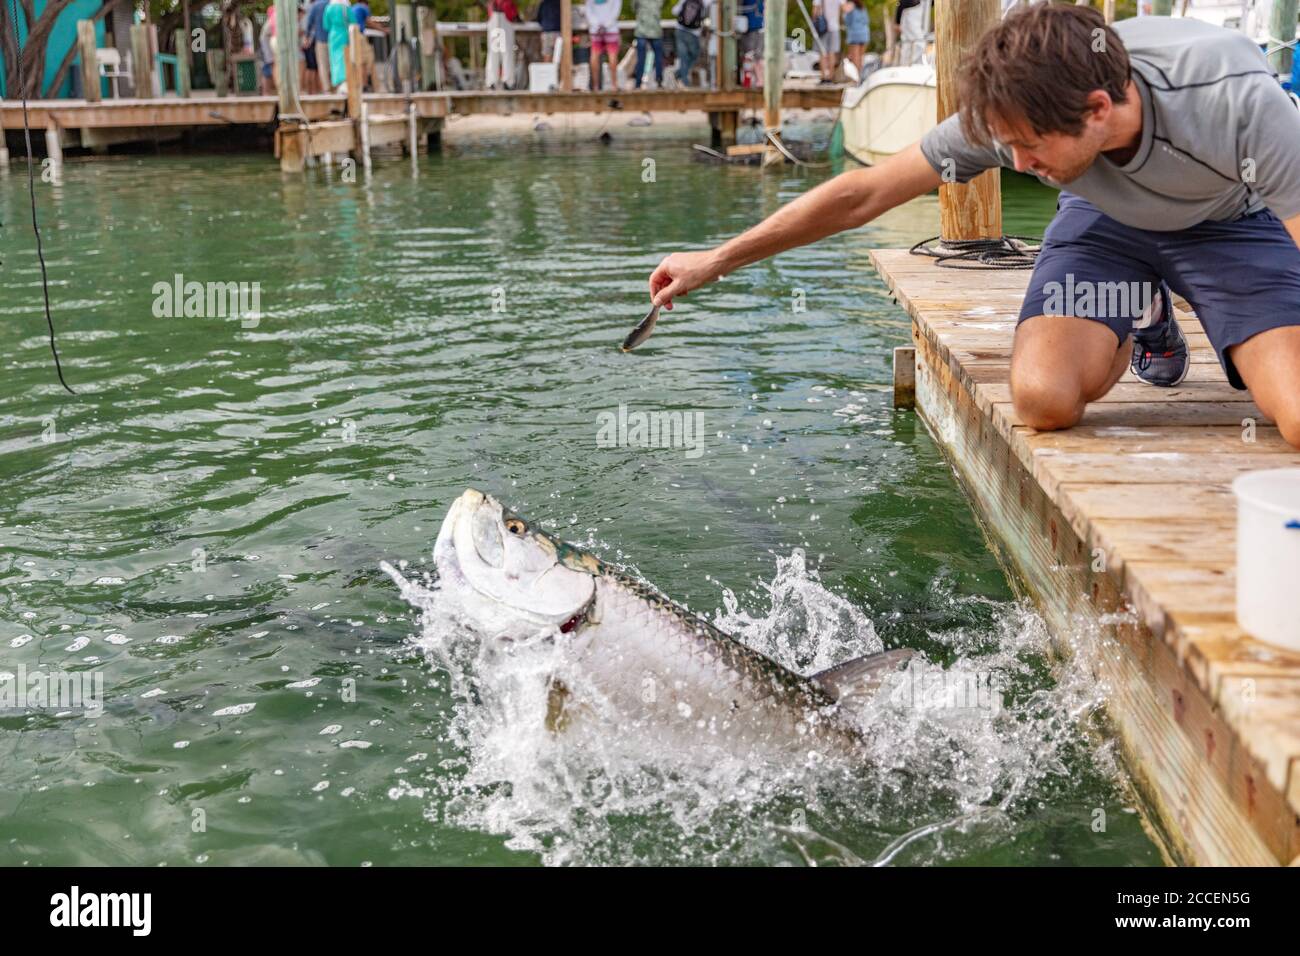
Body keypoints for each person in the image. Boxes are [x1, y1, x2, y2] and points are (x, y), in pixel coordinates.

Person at [647, 6, 1300, 449]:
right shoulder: (1018, 109)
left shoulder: (1238, 101)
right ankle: (1141, 310)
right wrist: (719, 259)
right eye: (1003, 144)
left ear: (1099, 109)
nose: (1015, 164)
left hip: (1229, 221)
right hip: (1106, 221)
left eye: (1028, 148)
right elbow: (862, 195)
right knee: (1043, 401)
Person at [350, 0, 387, 90]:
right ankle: (366, 84)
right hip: (360, 36)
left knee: (360, 60)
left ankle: (364, 83)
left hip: (352, 36)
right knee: (367, 59)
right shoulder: (363, 7)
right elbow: (369, 22)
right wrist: (383, 30)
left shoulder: (353, 7)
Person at [585, 0, 621, 91]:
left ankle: (596, 86)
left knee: (595, 56)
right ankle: (614, 85)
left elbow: (588, 10)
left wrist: (597, 25)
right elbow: (616, 11)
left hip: (596, 29)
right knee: (612, 56)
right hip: (611, 28)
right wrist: (605, 25)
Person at [485, 0, 522, 89]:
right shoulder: (507, 2)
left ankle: (491, 81)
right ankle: (508, 81)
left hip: (494, 22)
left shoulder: (492, 3)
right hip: (505, 23)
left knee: (493, 53)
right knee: (507, 53)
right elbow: (513, 15)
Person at [671, 0, 703, 87]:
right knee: (688, 56)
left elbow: (674, 11)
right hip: (690, 32)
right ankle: (685, 81)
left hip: (682, 30)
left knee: (685, 56)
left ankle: (679, 74)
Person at [632, 0, 664, 88]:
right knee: (658, 57)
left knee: (641, 58)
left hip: (641, 30)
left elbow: (634, 8)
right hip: (656, 30)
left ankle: (638, 83)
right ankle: (659, 80)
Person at [324, 0, 350, 92]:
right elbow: (353, 21)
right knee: (344, 58)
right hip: (344, 35)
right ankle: (345, 81)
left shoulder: (329, 8)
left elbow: (326, 25)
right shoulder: (345, 7)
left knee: (334, 60)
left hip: (333, 36)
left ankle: (337, 83)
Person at [305, 0, 331, 88]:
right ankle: (335, 86)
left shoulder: (315, 5)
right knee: (333, 63)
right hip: (333, 39)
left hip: (320, 39)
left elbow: (310, 22)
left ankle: (326, 88)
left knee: (323, 65)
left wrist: (307, 36)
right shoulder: (333, 3)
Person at [814, 0, 842, 82]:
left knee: (822, 53)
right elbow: (843, 9)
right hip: (835, 27)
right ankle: (831, 76)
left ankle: (823, 76)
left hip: (822, 28)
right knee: (832, 53)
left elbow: (815, 12)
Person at [843, 0, 868, 75]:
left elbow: (847, 21)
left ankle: (856, 78)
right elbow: (867, 20)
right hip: (864, 34)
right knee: (861, 57)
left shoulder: (850, 5)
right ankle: (860, 76)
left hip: (854, 34)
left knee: (855, 58)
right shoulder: (862, 7)